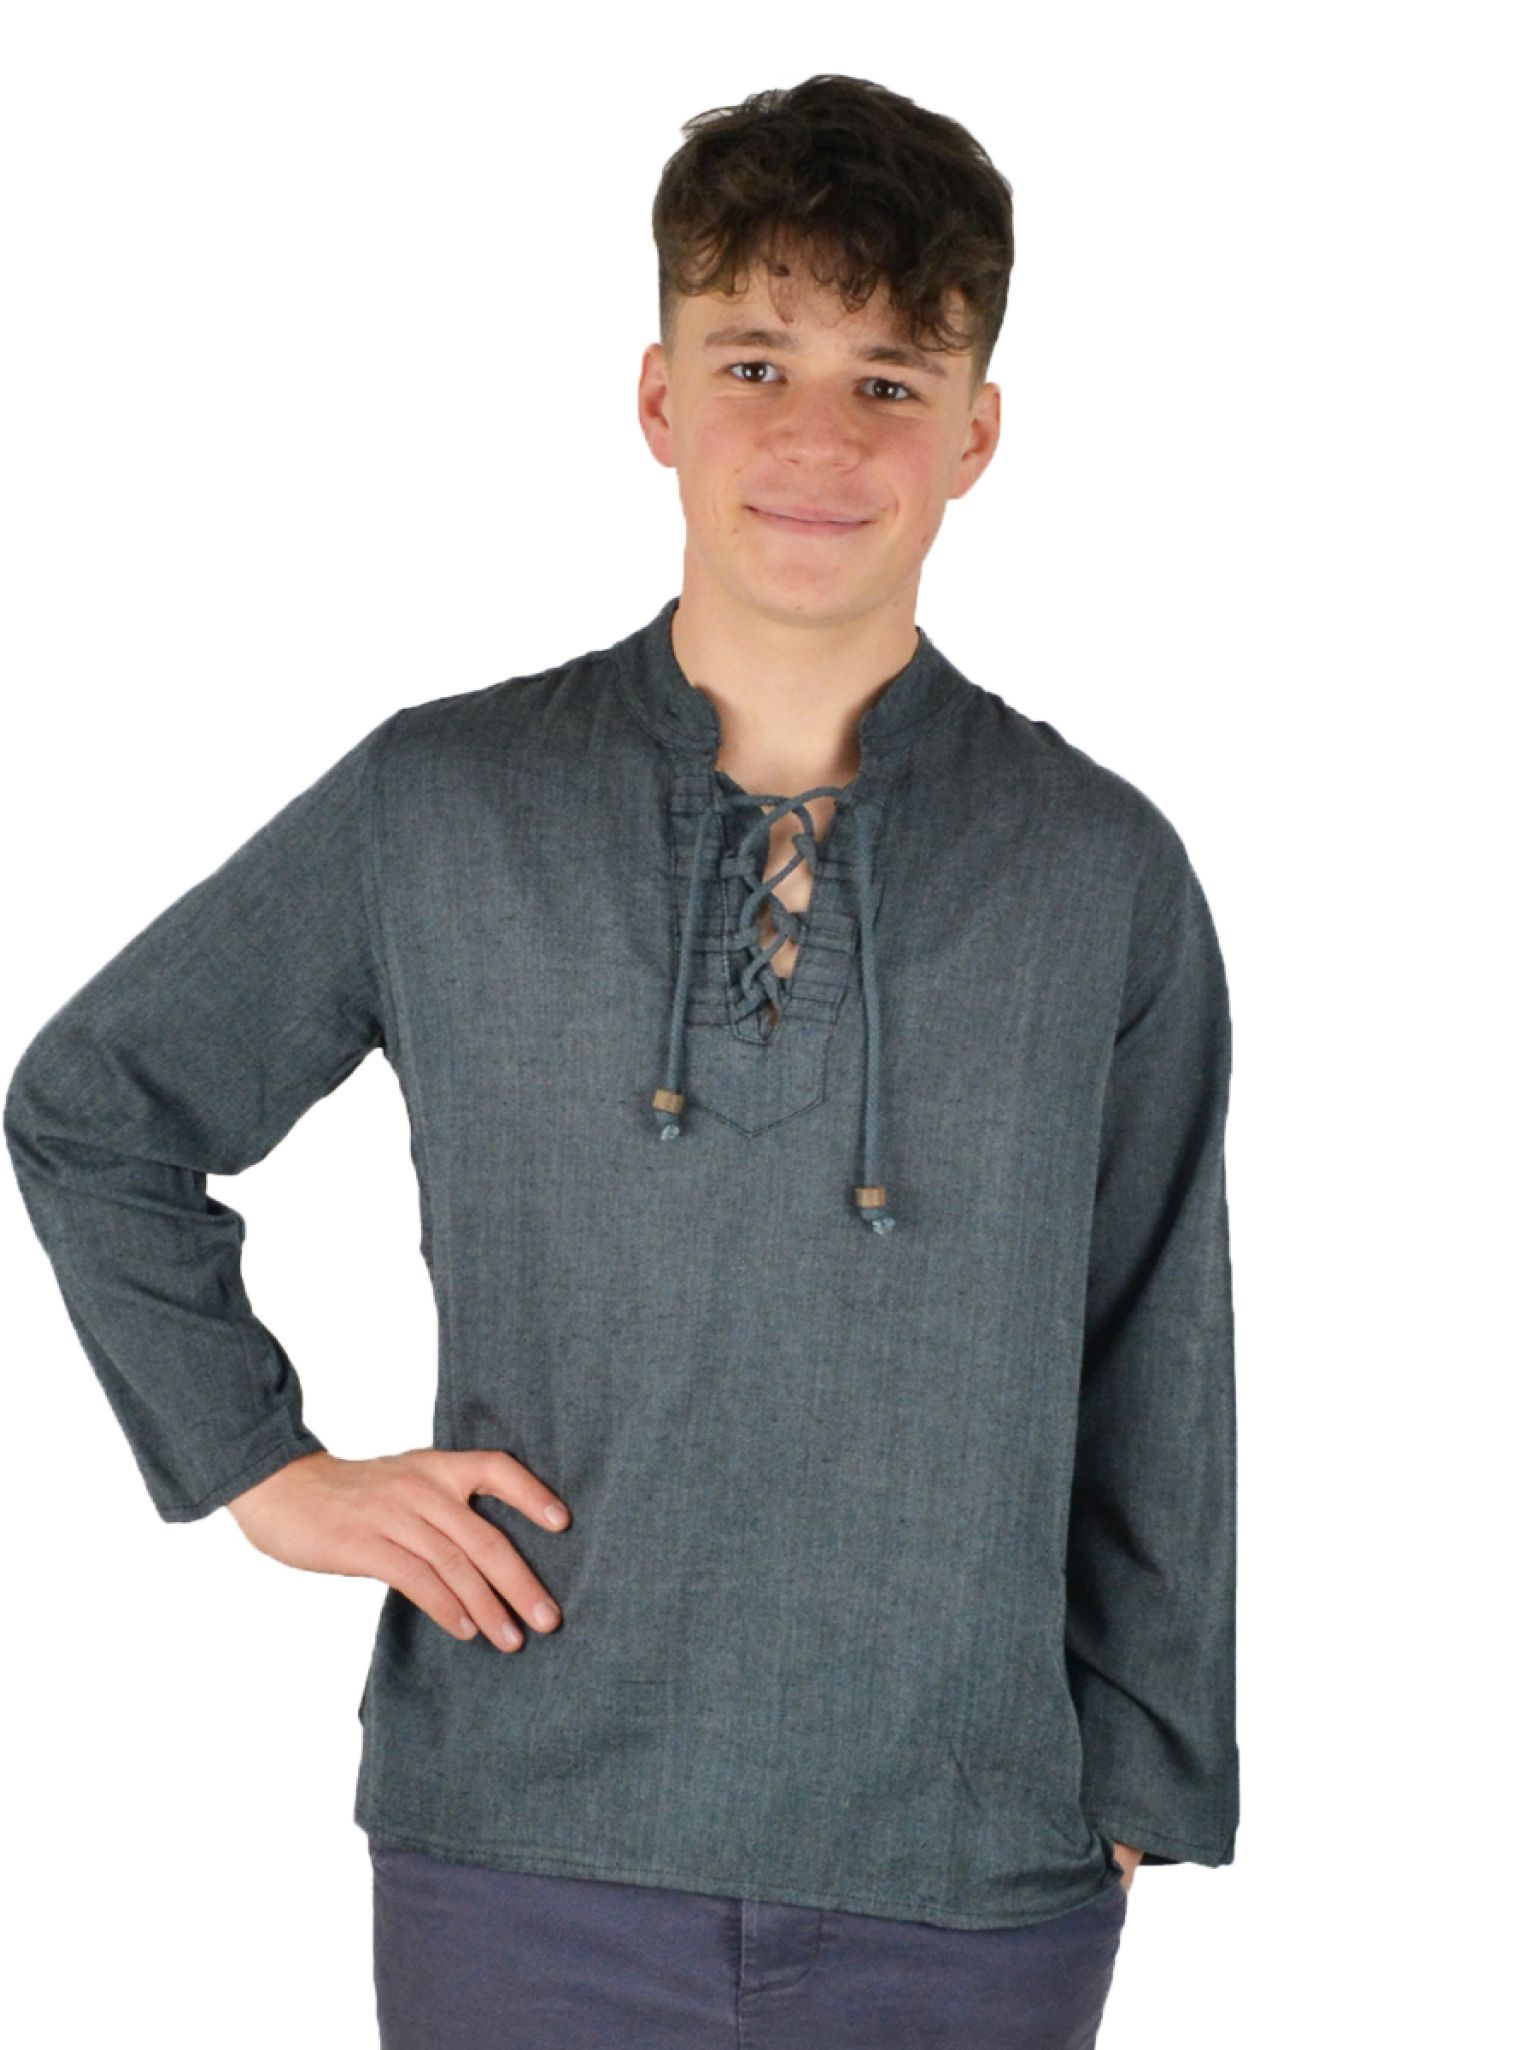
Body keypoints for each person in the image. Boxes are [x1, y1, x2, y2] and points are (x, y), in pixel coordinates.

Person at [4, 72, 1238, 2050]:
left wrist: (1140, 1783)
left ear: (977, 433)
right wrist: (261, 1462)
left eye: (890, 378)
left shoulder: (1099, 869)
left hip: (970, 1874)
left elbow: (1155, 1335)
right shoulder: (442, 802)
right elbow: (95, 1107)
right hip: (523, 1846)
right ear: (660, 399)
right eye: (756, 362)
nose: (817, 438)